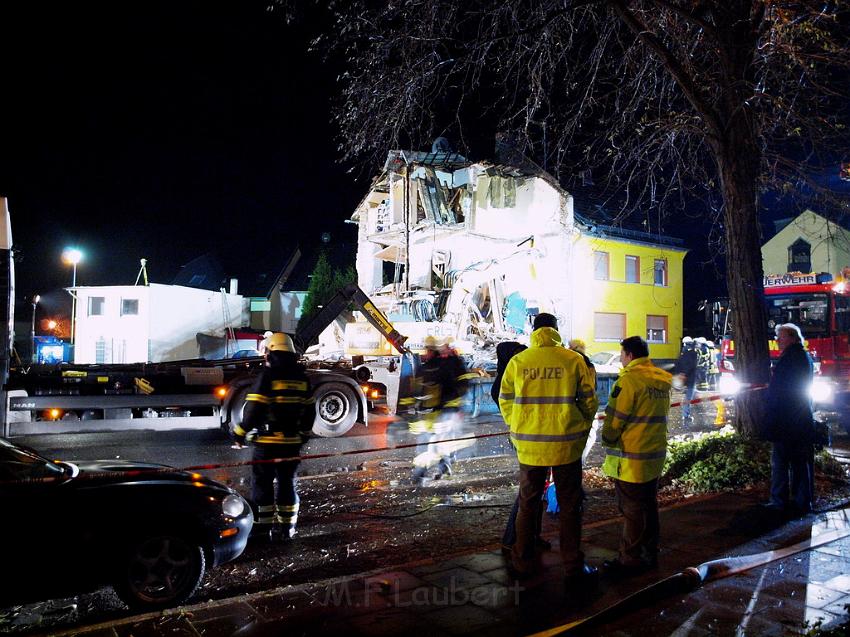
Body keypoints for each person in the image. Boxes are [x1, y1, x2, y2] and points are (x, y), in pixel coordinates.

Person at [499, 313, 598, 591]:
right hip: (566, 445)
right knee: (569, 505)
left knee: (528, 503)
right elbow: (590, 402)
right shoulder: (573, 360)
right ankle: (572, 564)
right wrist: (580, 427)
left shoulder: (519, 362)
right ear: (556, 330)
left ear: (534, 331)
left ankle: (521, 561)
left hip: (530, 447)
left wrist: (516, 424)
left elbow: (505, 399)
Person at [232, 332, 316, 542]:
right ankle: (288, 529)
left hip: (267, 445)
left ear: (271, 352)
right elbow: (309, 412)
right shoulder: (302, 378)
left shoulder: (267, 377)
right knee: (287, 483)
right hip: (291, 445)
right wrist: (303, 435)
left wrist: (239, 434)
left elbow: (254, 410)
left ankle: (263, 530)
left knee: (262, 485)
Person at [601, 336, 672, 578]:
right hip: (654, 454)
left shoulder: (630, 380)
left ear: (629, 355)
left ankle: (629, 559)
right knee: (649, 506)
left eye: (622, 355)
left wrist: (608, 439)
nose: (621, 359)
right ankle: (649, 552)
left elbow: (616, 419)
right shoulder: (661, 379)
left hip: (632, 456)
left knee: (632, 509)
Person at [492, 341, 551, 555]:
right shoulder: (506, 379)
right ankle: (512, 539)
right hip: (528, 439)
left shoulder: (514, 374)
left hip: (532, 436)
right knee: (529, 493)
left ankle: (531, 536)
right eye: (517, 353)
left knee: (536, 491)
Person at [764, 323, 815, 516]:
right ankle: (802, 501)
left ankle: (779, 501)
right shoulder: (803, 357)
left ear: (792, 338)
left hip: (787, 421)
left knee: (781, 461)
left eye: (781, 337)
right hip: (800, 419)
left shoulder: (790, 359)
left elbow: (780, 391)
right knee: (800, 463)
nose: (777, 340)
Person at [410, 336, 473, 482]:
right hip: (433, 413)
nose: (425, 353)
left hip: (443, 412)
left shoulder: (442, 365)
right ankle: (441, 466)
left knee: (434, 443)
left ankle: (425, 472)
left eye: (427, 350)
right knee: (435, 442)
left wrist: (452, 406)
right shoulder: (431, 365)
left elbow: (457, 386)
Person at [674, 337, 698, 425]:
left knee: (689, 396)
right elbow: (691, 365)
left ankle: (687, 414)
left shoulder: (683, 353)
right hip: (690, 379)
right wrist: (684, 374)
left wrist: (680, 374)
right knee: (688, 398)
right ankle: (686, 415)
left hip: (685, 379)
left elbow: (678, 364)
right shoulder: (693, 353)